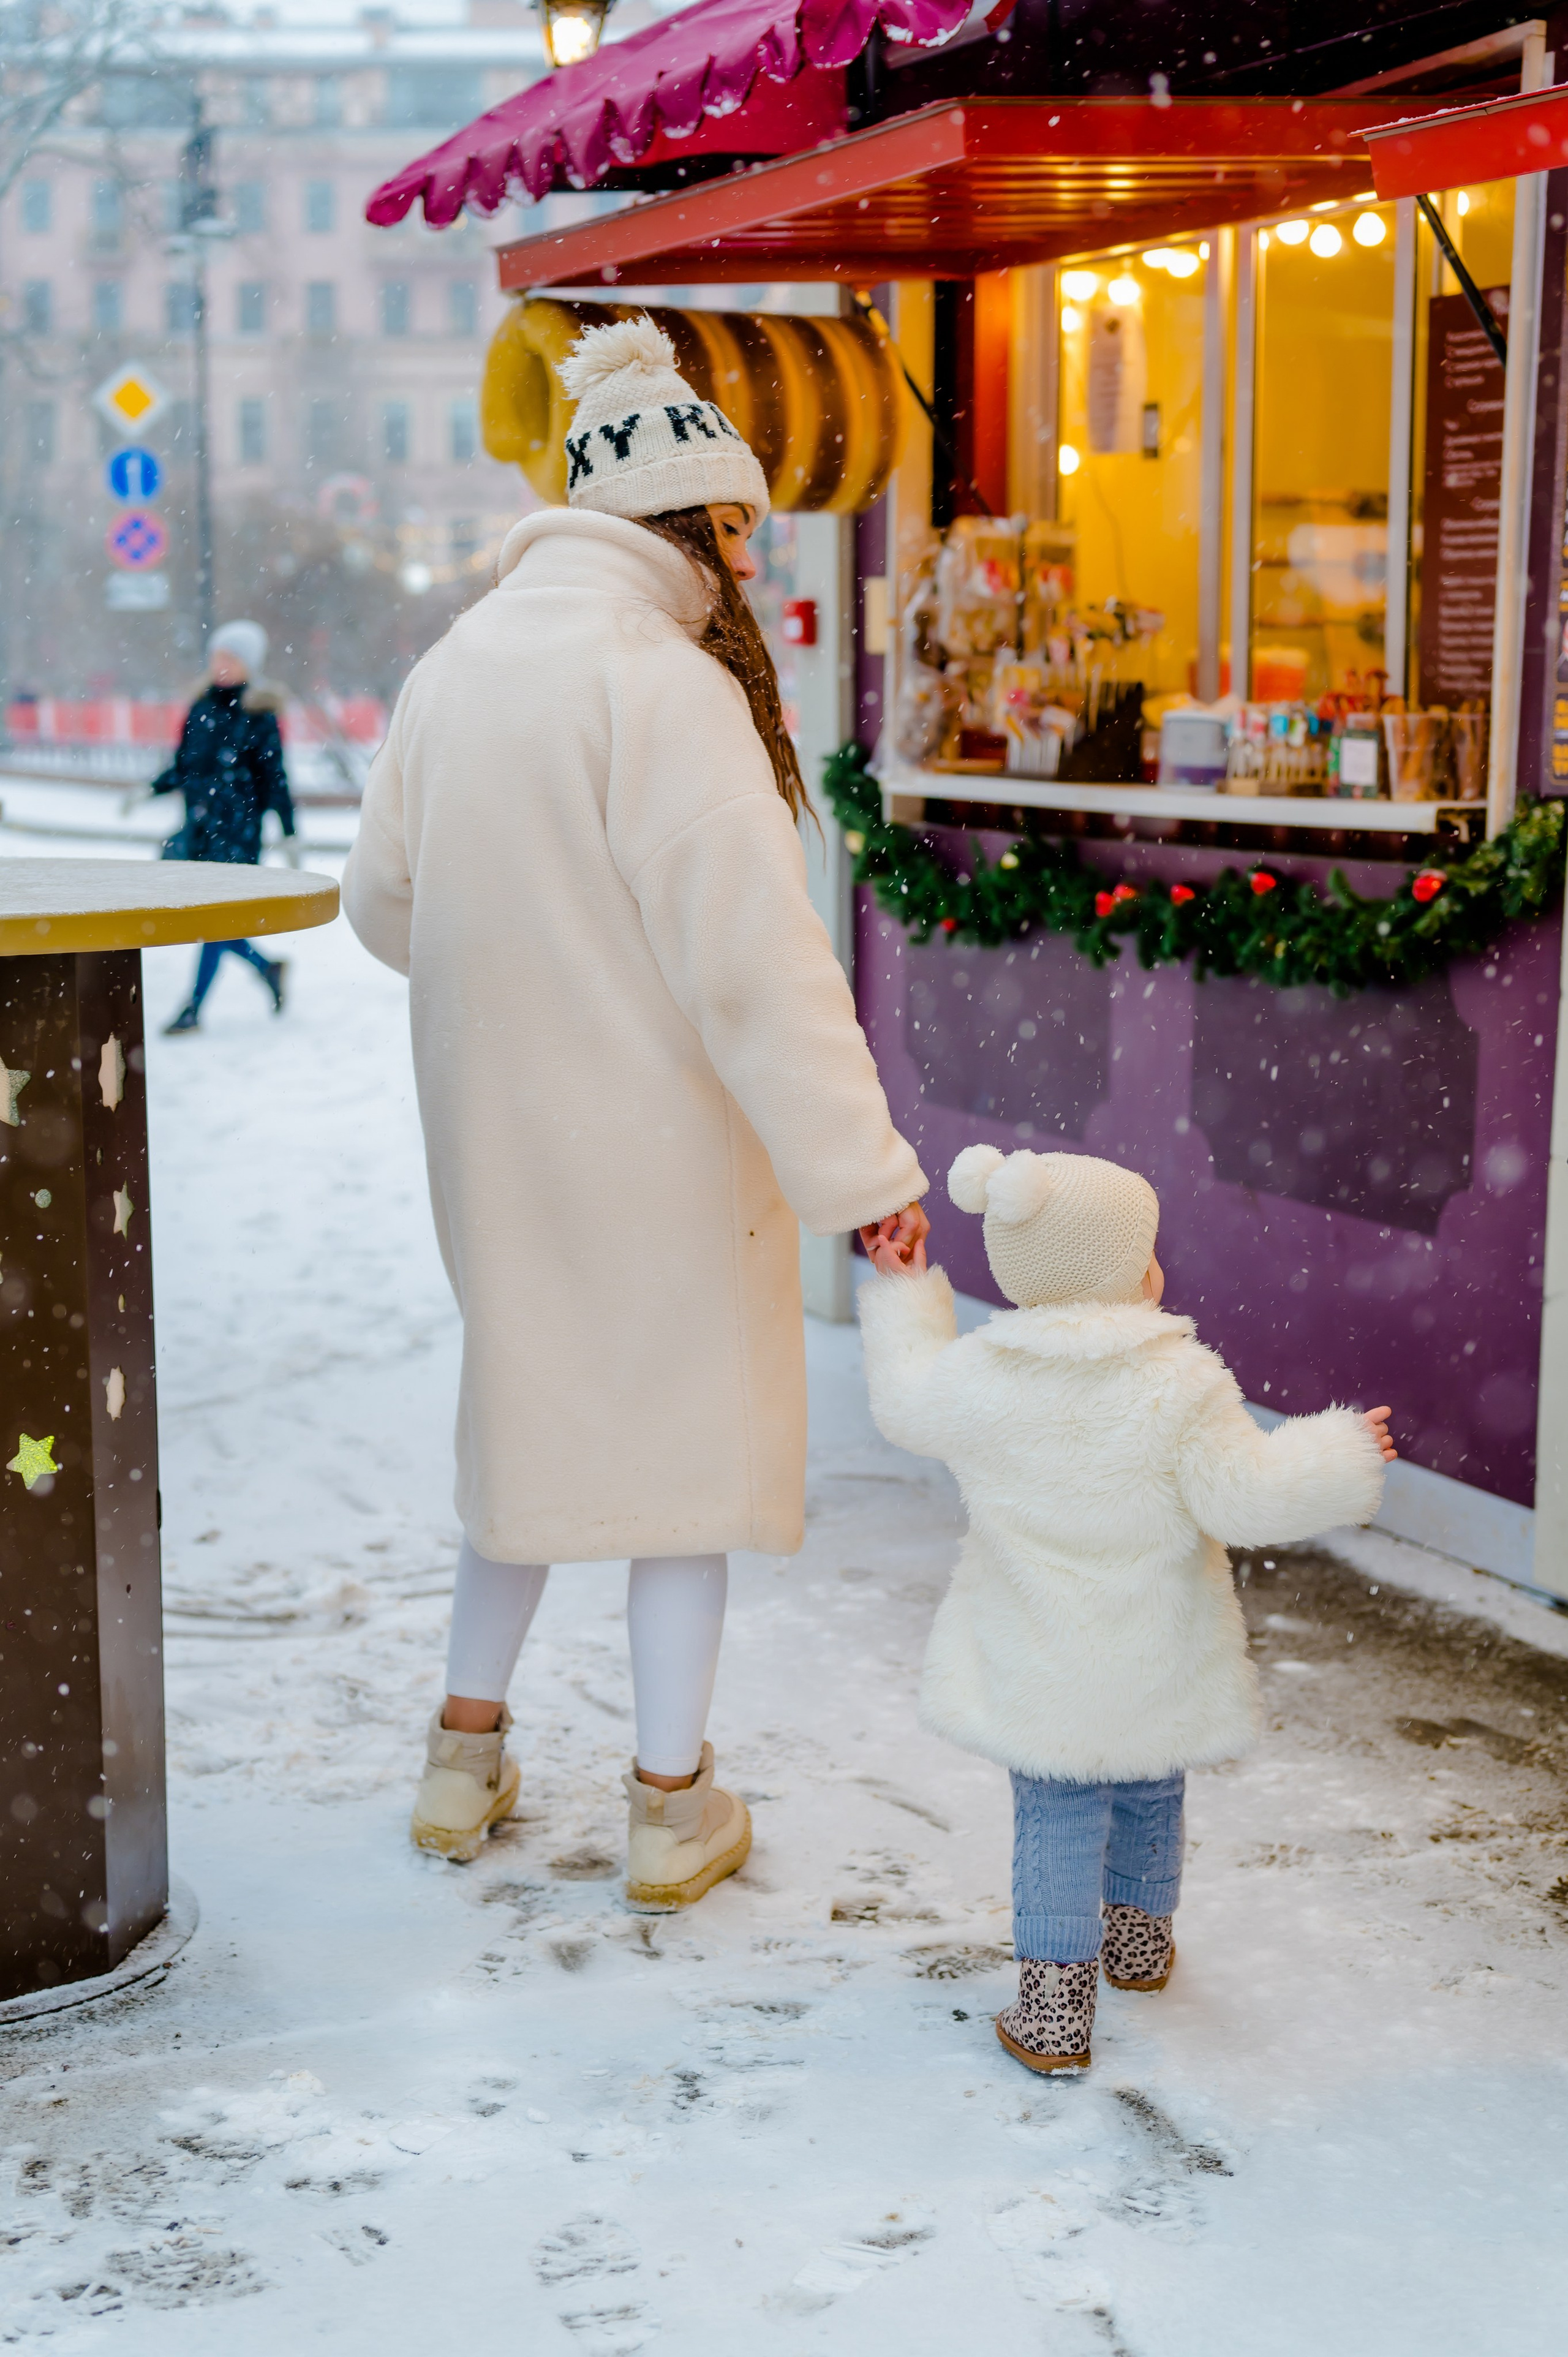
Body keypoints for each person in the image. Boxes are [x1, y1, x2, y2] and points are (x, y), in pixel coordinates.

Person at [341, 316, 928, 1906]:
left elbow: (382, 908)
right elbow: (757, 968)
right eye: (741, 527)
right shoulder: (666, 688)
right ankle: (672, 1805)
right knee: (682, 1469)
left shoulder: (455, 669)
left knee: (527, 1437)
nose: (751, 557)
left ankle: (462, 1761)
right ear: (692, 526)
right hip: (666, 1150)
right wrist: (861, 1172)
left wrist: (522, 964)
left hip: (502, 1137)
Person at [858, 1143, 1394, 2073]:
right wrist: (1338, 1456)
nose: (1157, 1266)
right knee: (1151, 1787)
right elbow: (1249, 1494)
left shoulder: (983, 1379)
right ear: (1116, 1270)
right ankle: (1139, 1950)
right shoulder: (1180, 1385)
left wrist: (906, 1289)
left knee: (1056, 1819)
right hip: (1155, 1653)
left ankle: (1054, 2015)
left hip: (1038, 1659)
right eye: (1144, 1251)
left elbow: (906, 1399)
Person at [155, 617, 296, 1034]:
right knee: (211, 921)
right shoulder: (199, 707)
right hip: (199, 831)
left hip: (238, 834)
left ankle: (194, 1008)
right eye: (218, 655)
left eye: (231, 657)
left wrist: (288, 829)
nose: (221, 664)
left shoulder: (258, 714)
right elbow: (184, 766)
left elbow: (276, 778)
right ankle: (266, 967)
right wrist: (151, 788)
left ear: (250, 664)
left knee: (214, 920)